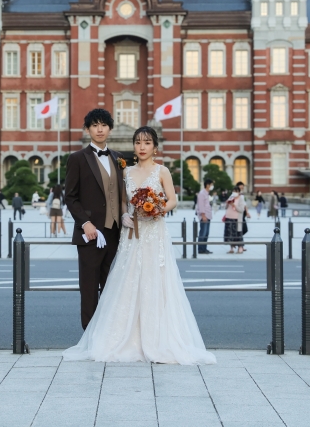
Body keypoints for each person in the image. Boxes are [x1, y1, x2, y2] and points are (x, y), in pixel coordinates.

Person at [63, 124, 215, 365]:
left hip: (154, 233)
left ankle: (157, 339)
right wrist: (124, 215)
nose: (142, 147)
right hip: (132, 234)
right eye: (138, 142)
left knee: (156, 283)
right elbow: (123, 201)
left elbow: (173, 200)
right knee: (127, 282)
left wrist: (157, 209)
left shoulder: (162, 170)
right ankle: (125, 338)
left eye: (147, 143)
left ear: (155, 147)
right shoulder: (126, 172)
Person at [63, 109, 127, 330]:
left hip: (116, 233)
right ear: (87, 129)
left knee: (113, 288)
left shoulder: (119, 158)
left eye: (104, 125)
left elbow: (121, 195)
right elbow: (70, 197)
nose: (100, 129)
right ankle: (90, 337)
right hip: (90, 235)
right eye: (95, 125)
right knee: (89, 289)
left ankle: (110, 335)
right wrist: (85, 223)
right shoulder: (77, 159)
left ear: (110, 128)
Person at [224, 187, 246, 254]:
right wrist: (227, 203)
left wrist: (234, 205)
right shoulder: (231, 197)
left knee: (238, 234)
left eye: (236, 191)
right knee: (230, 234)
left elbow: (241, 209)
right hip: (228, 217)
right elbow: (226, 207)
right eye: (233, 191)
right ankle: (231, 247)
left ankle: (240, 247)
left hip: (236, 219)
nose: (234, 193)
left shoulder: (241, 198)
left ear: (239, 192)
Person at [195, 178, 214, 254]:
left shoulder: (207, 193)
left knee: (206, 233)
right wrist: (203, 215)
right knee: (203, 232)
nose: (212, 186)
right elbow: (201, 205)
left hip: (208, 215)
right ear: (207, 185)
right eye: (211, 185)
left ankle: (204, 248)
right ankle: (200, 249)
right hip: (204, 216)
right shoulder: (202, 193)